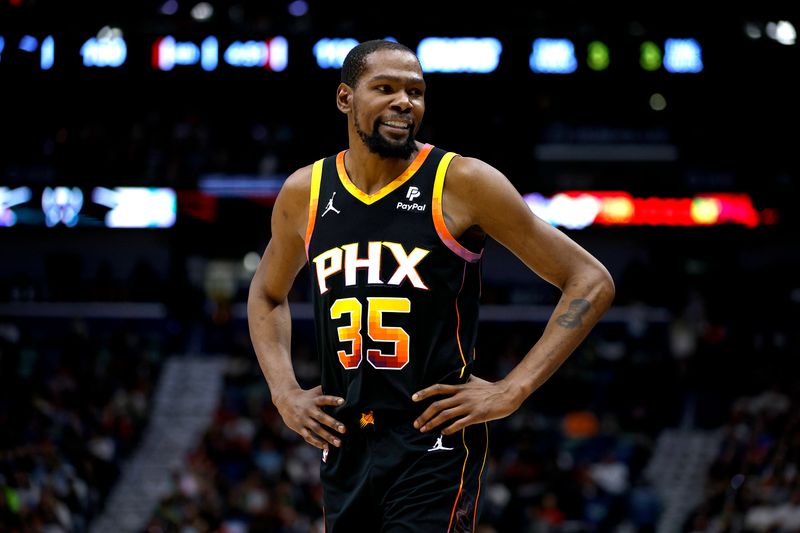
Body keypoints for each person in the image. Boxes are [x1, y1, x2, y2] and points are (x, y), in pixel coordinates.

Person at [247, 39, 615, 532]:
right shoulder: (304, 193)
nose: (405, 102)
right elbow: (267, 294)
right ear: (344, 99)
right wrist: (284, 392)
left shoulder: (462, 182)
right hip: (346, 446)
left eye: (416, 92)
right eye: (386, 88)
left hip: (432, 445)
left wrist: (513, 389)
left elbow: (589, 279)